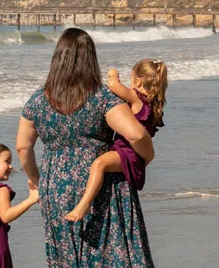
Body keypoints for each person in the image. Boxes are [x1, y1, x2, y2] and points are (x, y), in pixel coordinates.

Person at [16, 28, 157, 268]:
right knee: (113, 264)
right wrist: (147, 155)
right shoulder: (102, 99)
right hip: (101, 189)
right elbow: (136, 133)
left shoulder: (38, 100)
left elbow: (23, 146)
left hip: (55, 187)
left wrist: (36, 179)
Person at [66, 59, 166, 222]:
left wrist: (113, 74)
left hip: (127, 152)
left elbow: (113, 85)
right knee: (101, 165)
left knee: (99, 164)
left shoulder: (136, 97)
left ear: (138, 82)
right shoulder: (152, 104)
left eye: (131, 80)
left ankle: (84, 205)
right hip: (135, 154)